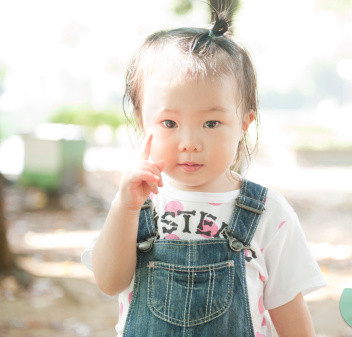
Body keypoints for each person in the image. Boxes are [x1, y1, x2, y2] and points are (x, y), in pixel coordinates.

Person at [81, 7, 326, 337]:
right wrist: (125, 208)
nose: (189, 143)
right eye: (170, 123)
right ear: (143, 121)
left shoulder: (267, 211)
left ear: (243, 124)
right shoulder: (137, 202)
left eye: (211, 123)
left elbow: (288, 308)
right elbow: (110, 282)